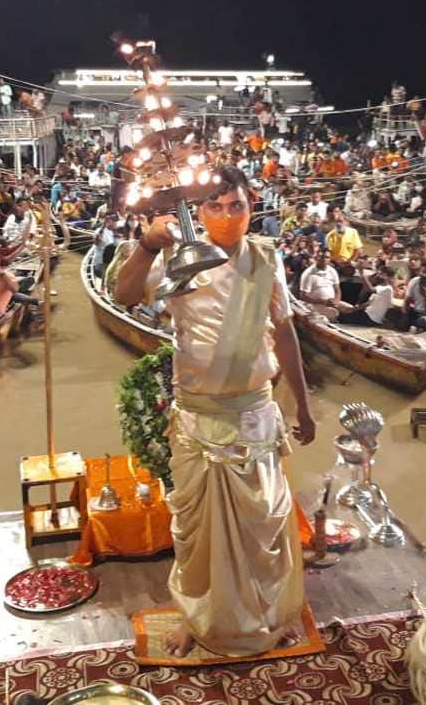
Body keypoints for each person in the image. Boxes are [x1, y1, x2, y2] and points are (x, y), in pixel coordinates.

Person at [112, 165, 315, 658]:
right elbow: (122, 295)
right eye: (215, 206)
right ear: (198, 212)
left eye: (237, 206)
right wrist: (146, 246)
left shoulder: (266, 258)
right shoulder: (182, 257)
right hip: (198, 418)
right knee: (197, 532)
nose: (227, 216)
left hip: (255, 415)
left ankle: (273, 615)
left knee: (263, 524)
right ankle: (196, 618)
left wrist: (304, 406)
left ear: (252, 209)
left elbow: (284, 332)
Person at [299, 248, 353, 314]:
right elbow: (303, 296)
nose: (324, 259)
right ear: (316, 258)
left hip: (331, 302)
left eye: (327, 257)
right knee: (333, 312)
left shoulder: (332, 271)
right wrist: (323, 301)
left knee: (350, 308)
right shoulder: (309, 273)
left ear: (330, 259)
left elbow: (337, 290)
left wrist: (336, 301)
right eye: (321, 257)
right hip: (314, 304)